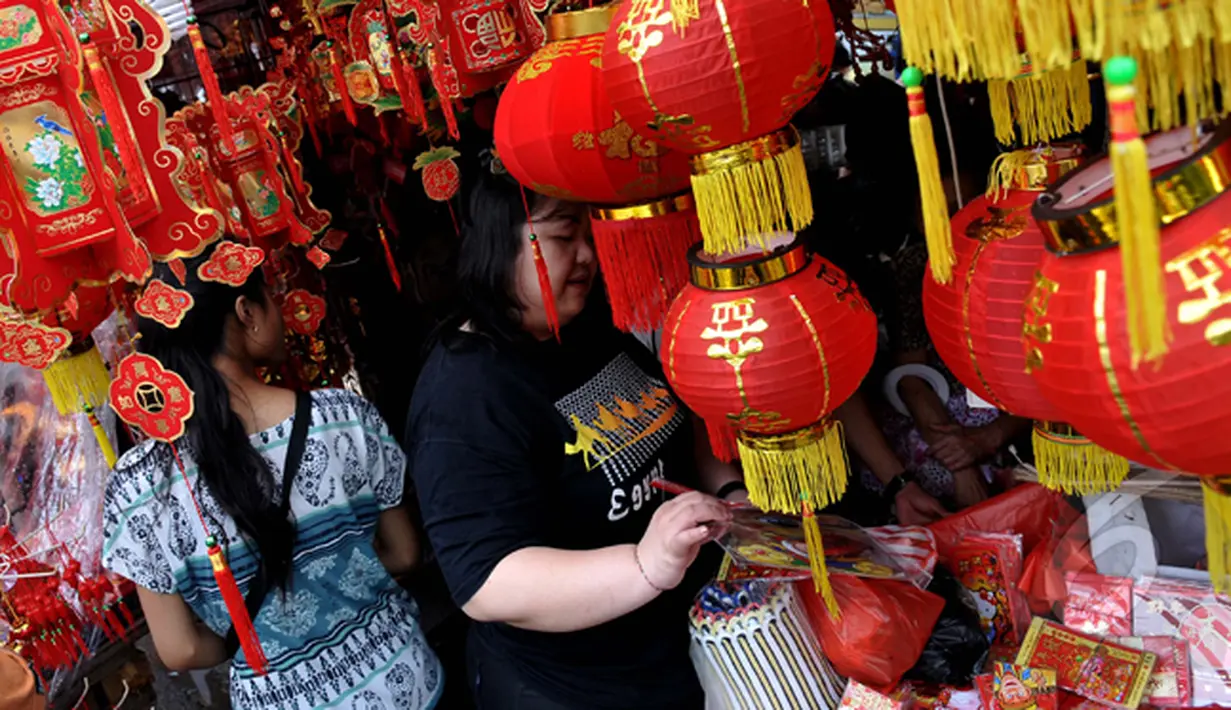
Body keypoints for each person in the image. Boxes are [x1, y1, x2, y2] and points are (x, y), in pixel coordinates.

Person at [406, 162, 741, 710]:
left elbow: (676, 416)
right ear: (495, 244)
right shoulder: (463, 395)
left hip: (685, 648)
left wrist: (730, 497)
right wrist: (643, 565)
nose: (586, 254)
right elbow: (490, 581)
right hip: (582, 687)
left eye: (590, 233)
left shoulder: (586, 326)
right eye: (564, 236)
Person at [102, 241, 442, 709]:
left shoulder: (140, 484)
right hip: (400, 682)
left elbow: (179, 648)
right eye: (270, 297)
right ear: (246, 312)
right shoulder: (343, 417)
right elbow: (405, 553)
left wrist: (253, 631)